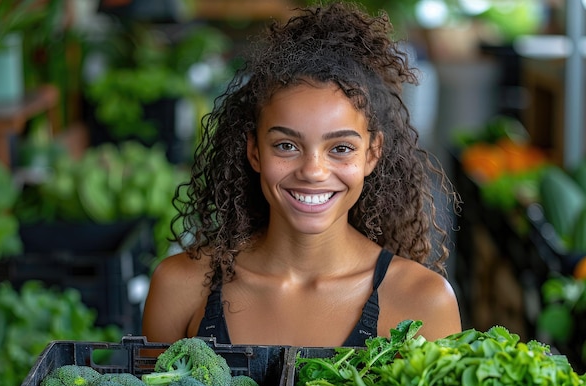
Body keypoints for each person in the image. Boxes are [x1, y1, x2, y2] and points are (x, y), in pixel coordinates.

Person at [142, 1, 462, 347]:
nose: (313, 171)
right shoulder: (180, 287)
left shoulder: (423, 302)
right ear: (254, 151)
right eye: (286, 146)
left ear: (372, 154)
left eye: (341, 148)